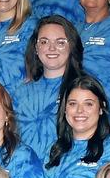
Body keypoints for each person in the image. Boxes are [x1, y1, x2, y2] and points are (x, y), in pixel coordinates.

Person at [15, 15, 85, 154]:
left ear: (71, 45)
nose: (51, 48)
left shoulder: (84, 89)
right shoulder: (21, 92)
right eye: (44, 42)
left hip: (66, 168)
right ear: (36, 47)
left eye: (60, 42)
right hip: (27, 170)